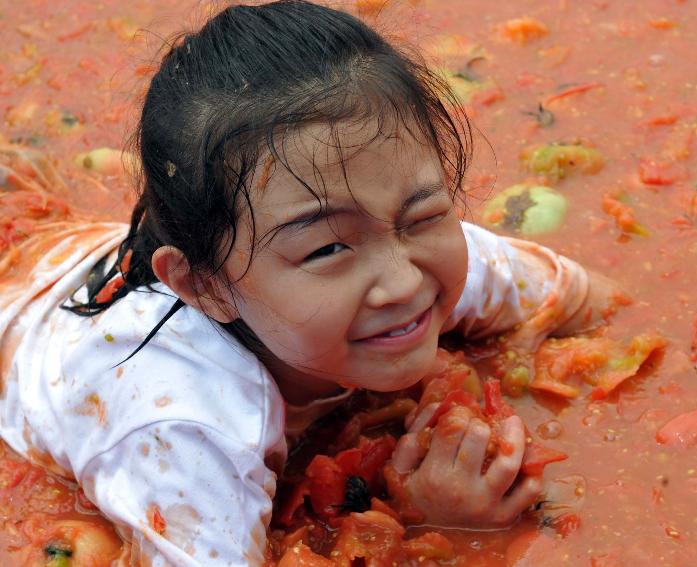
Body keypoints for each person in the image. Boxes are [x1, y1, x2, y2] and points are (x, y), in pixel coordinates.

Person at [0, 1, 618, 565]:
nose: (403, 283)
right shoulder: (186, 434)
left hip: (102, 257)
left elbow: (599, 302)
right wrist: (437, 530)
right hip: (33, 335)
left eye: (424, 214)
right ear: (206, 285)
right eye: (327, 248)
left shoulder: (431, 256)